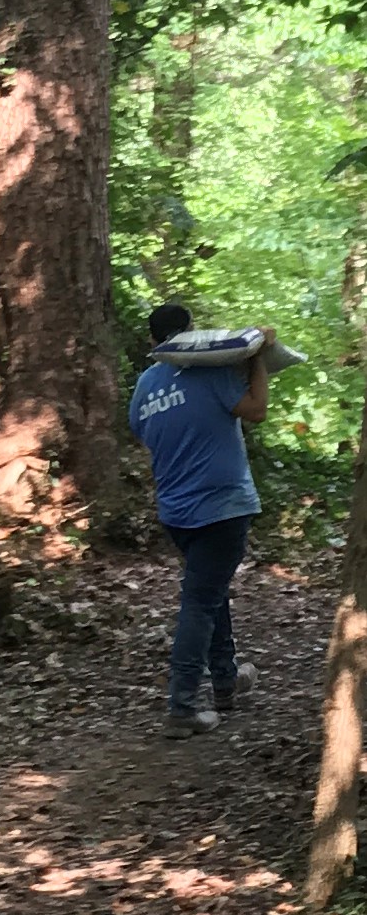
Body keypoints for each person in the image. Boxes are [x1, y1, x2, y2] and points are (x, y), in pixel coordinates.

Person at [127, 300, 271, 737]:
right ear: (192, 333)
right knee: (200, 601)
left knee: (208, 592)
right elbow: (257, 409)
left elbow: (140, 430)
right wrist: (259, 359)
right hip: (222, 508)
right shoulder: (211, 374)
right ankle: (183, 707)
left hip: (176, 512)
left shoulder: (146, 384)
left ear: (153, 341)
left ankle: (225, 681)